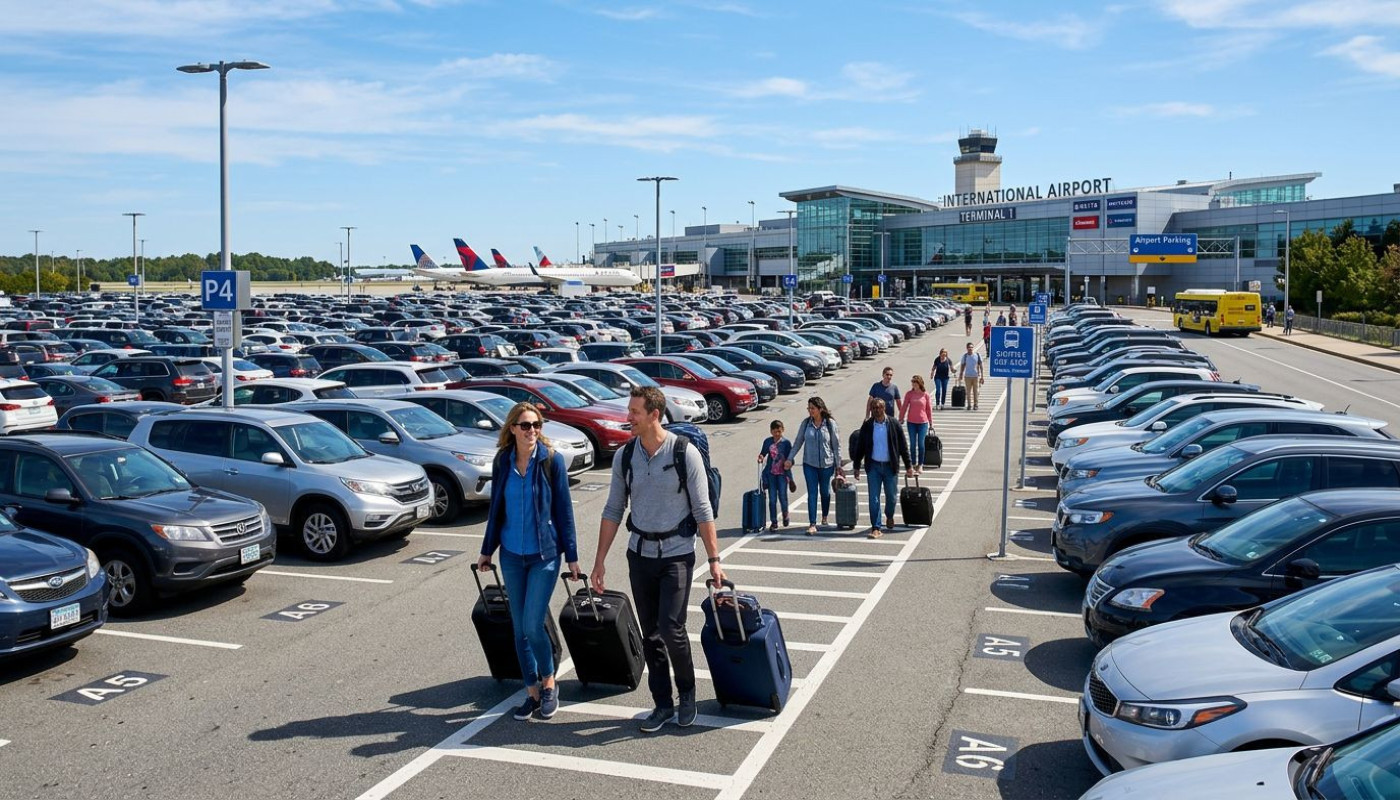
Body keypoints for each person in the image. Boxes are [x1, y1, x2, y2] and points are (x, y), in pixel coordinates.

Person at [593, 386, 724, 733]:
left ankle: (687, 693)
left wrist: (714, 559)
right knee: (650, 633)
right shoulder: (625, 456)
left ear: (654, 414)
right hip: (640, 555)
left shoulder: (685, 453)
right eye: (629, 410)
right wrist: (599, 561)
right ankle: (662, 703)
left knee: (671, 627)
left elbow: (702, 509)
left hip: (677, 556)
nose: (628, 417)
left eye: (634, 412)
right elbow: (613, 509)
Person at [477, 402, 580, 723]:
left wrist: (573, 557)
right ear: (512, 429)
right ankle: (532, 692)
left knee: (533, 625)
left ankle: (549, 683)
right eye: (525, 425)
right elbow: (497, 509)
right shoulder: (503, 461)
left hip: (545, 556)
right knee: (518, 630)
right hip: (510, 554)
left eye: (537, 425)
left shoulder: (551, 461)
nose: (532, 430)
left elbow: (564, 511)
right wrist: (487, 549)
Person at [850, 396, 914, 538]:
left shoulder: (893, 424)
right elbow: (860, 446)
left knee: (891, 497)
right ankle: (876, 527)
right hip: (873, 466)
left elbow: (903, 445)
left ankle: (889, 515)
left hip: (890, 466)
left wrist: (908, 465)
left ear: (884, 408)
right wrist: (856, 466)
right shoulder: (867, 426)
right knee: (874, 498)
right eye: (874, 408)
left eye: (879, 407)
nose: (876, 410)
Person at [786, 396, 842, 535]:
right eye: (809, 408)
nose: (810, 411)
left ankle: (824, 516)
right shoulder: (806, 424)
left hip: (826, 464)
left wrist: (838, 465)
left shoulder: (830, 424)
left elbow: (836, 446)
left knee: (825, 492)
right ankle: (812, 523)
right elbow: (798, 442)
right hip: (809, 464)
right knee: (812, 493)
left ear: (820, 409)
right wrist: (789, 458)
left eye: (813, 408)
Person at [756, 420, 793, 531]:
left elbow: (790, 458)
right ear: (771, 431)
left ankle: (785, 514)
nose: (777, 434)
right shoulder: (768, 442)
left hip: (782, 474)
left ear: (783, 430)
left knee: (782, 496)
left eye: (779, 431)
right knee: (772, 499)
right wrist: (761, 457)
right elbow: (763, 453)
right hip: (771, 474)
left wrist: (789, 464)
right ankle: (774, 522)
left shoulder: (786, 443)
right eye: (775, 431)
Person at [898, 374, 933, 471]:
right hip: (911, 422)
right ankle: (913, 464)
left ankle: (920, 464)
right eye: (912, 382)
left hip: (923, 422)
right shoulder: (909, 394)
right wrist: (900, 418)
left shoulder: (925, 394)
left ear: (919, 383)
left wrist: (931, 422)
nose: (913, 384)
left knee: (921, 444)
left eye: (915, 382)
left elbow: (928, 409)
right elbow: (904, 407)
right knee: (912, 444)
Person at [958, 341, 984, 411]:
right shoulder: (965, 356)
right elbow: (962, 365)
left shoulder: (977, 355)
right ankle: (969, 405)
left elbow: (981, 366)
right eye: (969, 347)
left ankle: (976, 404)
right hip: (967, 376)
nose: (971, 349)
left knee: (976, 391)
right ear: (967, 348)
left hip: (976, 376)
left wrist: (982, 376)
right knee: (968, 392)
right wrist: (961, 374)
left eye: (972, 347)